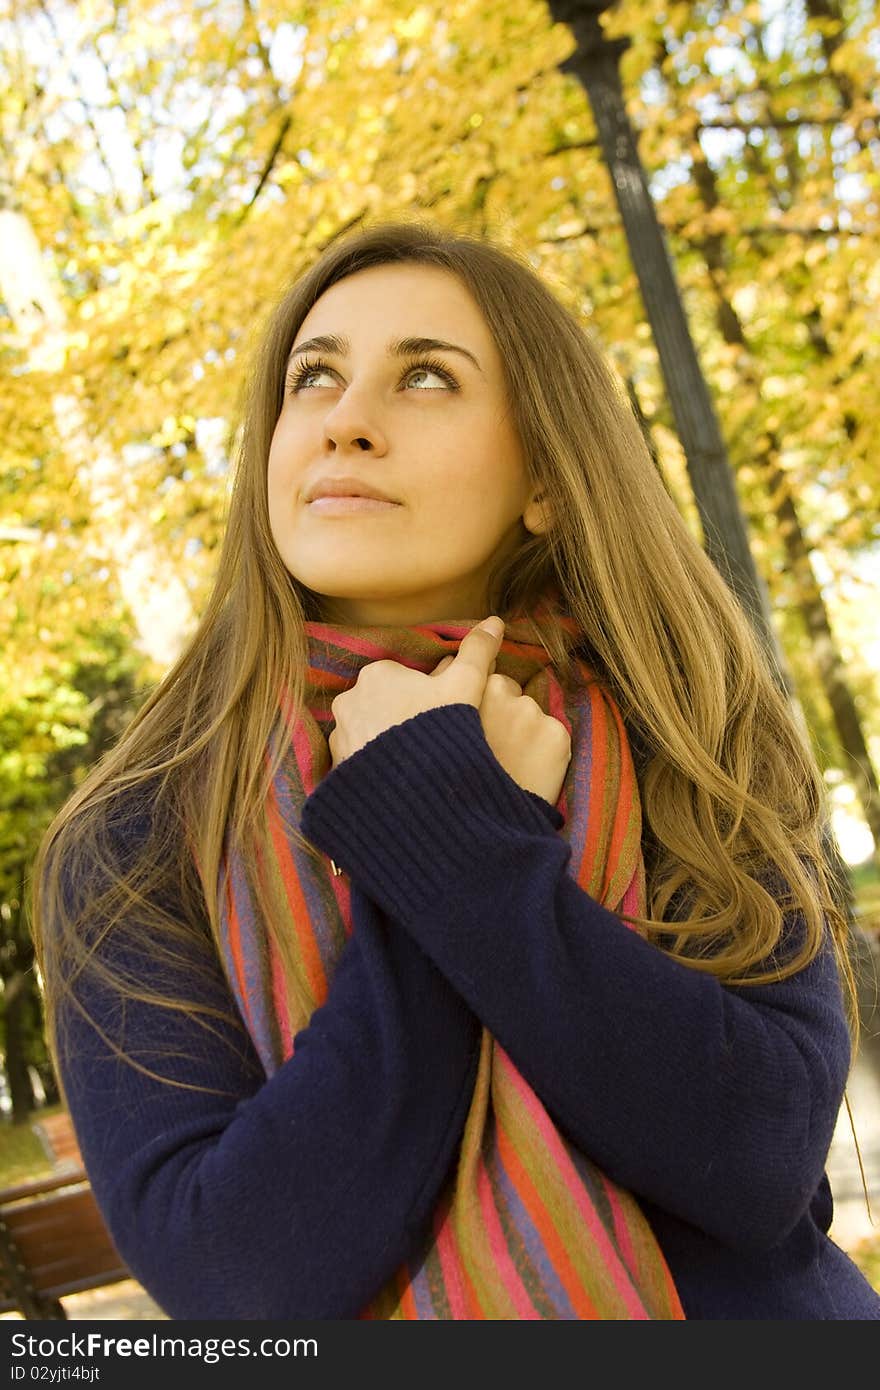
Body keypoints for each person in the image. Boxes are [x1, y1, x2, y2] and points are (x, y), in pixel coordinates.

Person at [30, 219, 880, 1321]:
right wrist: (444, 815)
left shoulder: (690, 733)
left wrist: (461, 843)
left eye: (424, 377)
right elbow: (237, 1277)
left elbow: (756, 1155)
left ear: (545, 479)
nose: (346, 422)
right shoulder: (136, 834)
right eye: (314, 377)